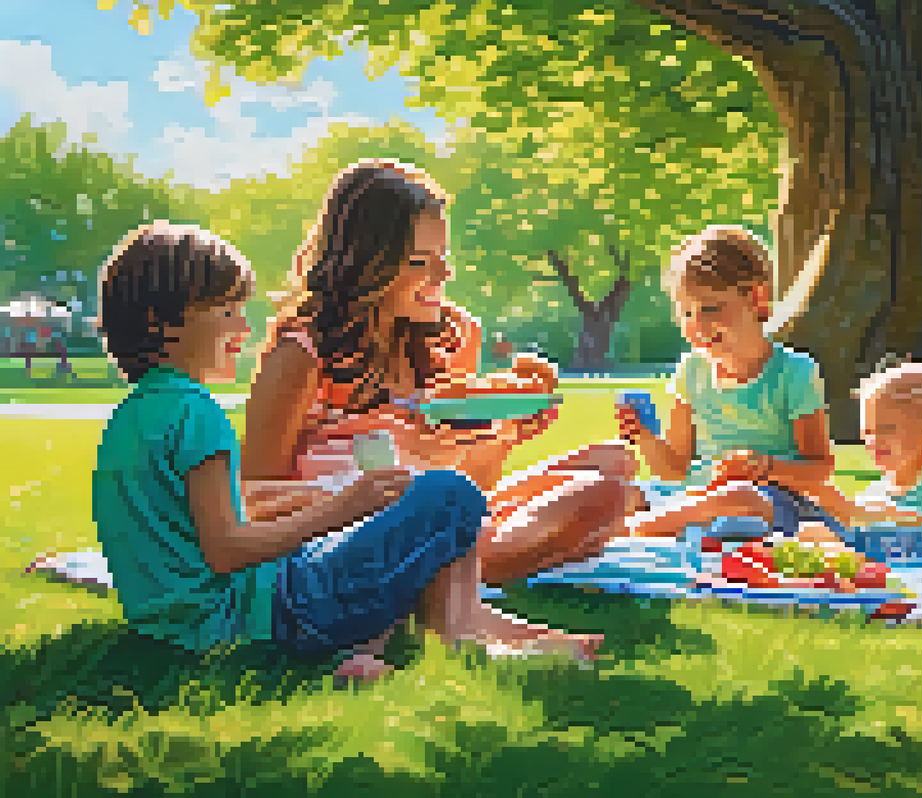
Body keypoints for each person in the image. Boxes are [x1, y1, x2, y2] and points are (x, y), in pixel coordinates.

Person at [91, 222, 596, 688]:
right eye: (226, 311)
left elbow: (205, 521)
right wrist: (341, 508)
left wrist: (324, 497)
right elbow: (227, 549)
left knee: (383, 524)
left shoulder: (131, 419)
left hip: (175, 624)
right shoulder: (196, 414)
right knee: (448, 494)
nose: (243, 328)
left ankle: (366, 650)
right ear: (162, 323)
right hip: (252, 619)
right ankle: (460, 632)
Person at [242, 160, 635, 669]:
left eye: (443, 258)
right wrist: (363, 499)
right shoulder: (301, 355)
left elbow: (474, 483)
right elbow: (250, 499)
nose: (443, 276)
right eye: (420, 262)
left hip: (447, 511)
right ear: (365, 263)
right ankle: (457, 611)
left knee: (613, 468)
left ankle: (451, 595)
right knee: (584, 504)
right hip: (348, 537)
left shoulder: (449, 339)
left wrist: (505, 435)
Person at [617, 225, 840, 539]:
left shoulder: (794, 372)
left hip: (769, 502)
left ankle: (636, 530)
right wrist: (642, 437)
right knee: (618, 490)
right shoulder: (690, 372)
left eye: (710, 308)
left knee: (739, 499)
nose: (697, 325)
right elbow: (674, 470)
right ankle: (674, 526)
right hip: (697, 496)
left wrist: (762, 468)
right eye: (686, 314)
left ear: (757, 298)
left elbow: (820, 471)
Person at [795, 360, 922, 566]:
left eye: (887, 428)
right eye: (868, 432)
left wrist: (858, 512)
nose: (874, 441)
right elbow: (861, 553)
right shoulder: (871, 494)